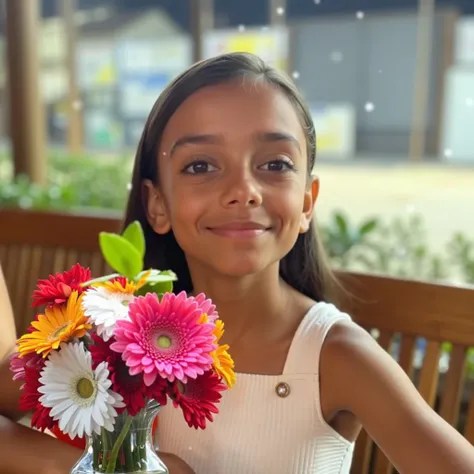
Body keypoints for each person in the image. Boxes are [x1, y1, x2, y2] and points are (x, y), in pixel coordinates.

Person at [1, 53, 474, 473]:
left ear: (307, 202)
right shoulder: (108, 332)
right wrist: (69, 464)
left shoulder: (335, 356)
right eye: (200, 166)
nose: (243, 190)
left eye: (275, 164)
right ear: (157, 204)